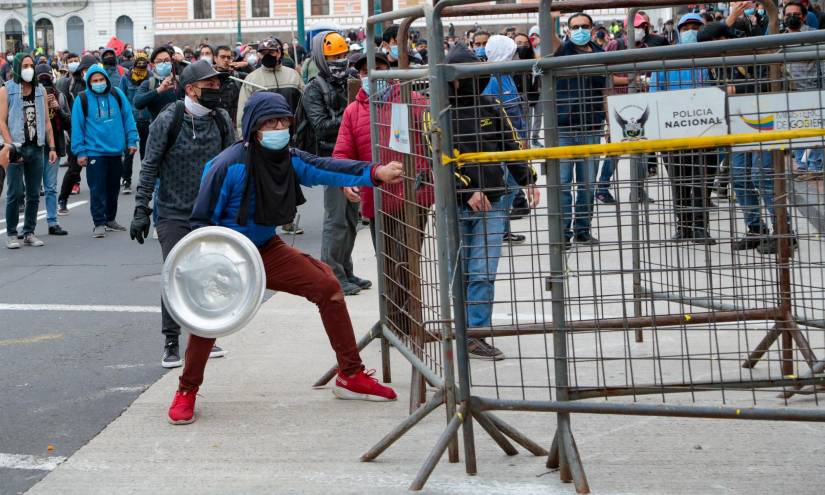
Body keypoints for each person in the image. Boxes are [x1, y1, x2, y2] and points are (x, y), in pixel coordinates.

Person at [167, 92, 404, 424]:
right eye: (269, 122)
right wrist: (207, 273)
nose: (278, 128)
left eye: (283, 121)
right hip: (225, 258)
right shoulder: (227, 165)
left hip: (266, 249)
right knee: (209, 322)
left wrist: (374, 173)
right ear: (253, 127)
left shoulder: (289, 159)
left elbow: (326, 168)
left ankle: (350, 375)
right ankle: (186, 390)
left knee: (327, 287)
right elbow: (200, 223)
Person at [130, 60, 234, 368]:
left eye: (218, 85)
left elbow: (233, 164)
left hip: (210, 213)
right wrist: (140, 208)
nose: (217, 90)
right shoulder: (169, 118)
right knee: (175, 274)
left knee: (207, 273)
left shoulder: (222, 119)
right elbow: (149, 165)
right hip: (173, 212)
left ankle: (203, 335)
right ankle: (171, 341)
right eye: (210, 85)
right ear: (190, 89)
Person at [444, 44, 538, 361]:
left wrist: (528, 180)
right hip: (454, 205)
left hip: (494, 203)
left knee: (483, 271)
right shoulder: (437, 110)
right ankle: (457, 328)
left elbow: (511, 146)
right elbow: (437, 158)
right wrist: (465, 191)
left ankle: (475, 334)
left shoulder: (490, 106)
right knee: (458, 271)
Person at [303, 32, 365, 295]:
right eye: (333, 57)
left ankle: (346, 269)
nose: (340, 61)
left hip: (353, 158)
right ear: (321, 58)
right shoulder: (313, 89)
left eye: (342, 55)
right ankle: (332, 274)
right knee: (336, 219)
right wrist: (351, 114)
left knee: (352, 218)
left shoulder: (349, 82)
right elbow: (320, 127)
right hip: (330, 159)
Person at [649, 13, 715, 245]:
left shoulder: (712, 55)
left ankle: (700, 227)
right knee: (679, 182)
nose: (691, 31)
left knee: (702, 181)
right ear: (678, 30)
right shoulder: (667, 58)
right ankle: (683, 227)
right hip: (673, 132)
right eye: (686, 27)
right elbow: (655, 94)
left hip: (707, 131)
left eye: (696, 26)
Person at [553, 12, 607, 247]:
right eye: (575, 27)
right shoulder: (563, 50)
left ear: (592, 28)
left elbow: (606, 90)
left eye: (584, 26)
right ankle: (563, 233)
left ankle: (583, 229)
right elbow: (551, 39)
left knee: (587, 184)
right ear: (567, 29)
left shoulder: (600, 55)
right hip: (563, 128)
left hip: (592, 126)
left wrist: (610, 122)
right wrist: (549, 15)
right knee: (562, 184)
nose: (580, 30)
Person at [70, 63, 138, 238]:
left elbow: (128, 118)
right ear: (89, 82)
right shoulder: (82, 99)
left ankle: (110, 219)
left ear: (106, 80)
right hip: (94, 153)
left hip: (116, 151)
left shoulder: (117, 94)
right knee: (97, 189)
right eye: (95, 80)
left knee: (113, 189)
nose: (98, 82)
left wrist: (132, 140)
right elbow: (77, 127)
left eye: (101, 79)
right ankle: (99, 223)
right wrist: (80, 152)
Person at [0, 53, 59, 249]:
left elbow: (47, 121)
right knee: (15, 194)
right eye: (25, 65)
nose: (29, 69)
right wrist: (10, 146)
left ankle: (29, 232)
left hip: (36, 147)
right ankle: (11, 234)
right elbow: (1, 121)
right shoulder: (6, 90)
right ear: (17, 67)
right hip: (16, 147)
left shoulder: (40, 90)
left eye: (31, 65)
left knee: (34, 193)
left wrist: (51, 147)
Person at [783, 0, 823, 180]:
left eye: (796, 14)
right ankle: (801, 166)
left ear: (804, 17)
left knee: (814, 130)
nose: (792, 17)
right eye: (788, 14)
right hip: (790, 93)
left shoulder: (813, 35)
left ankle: (815, 167)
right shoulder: (778, 36)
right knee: (796, 131)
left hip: (811, 90)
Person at [236, 37, 304, 136]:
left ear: (279, 53)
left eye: (271, 52)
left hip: (293, 135)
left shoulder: (293, 75)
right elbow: (243, 113)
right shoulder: (251, 79)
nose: (267, 56)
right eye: (263, 53)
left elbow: (304, 104)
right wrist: (244, 139)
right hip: (264, 137)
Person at [56, 53, 95, 214]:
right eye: (85, 69)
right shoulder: (72, 85)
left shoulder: (101, 85)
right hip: (76, 131)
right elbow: (64, 106)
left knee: (99, 171)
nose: (88, 72)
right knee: (73, 169)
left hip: (96, 133)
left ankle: (102, 211)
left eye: (91, 69)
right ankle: (62, 200)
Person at [35, 64, 70, 236]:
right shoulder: (29, 96)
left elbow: (68, 123)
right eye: (40, 78)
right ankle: (29, 225)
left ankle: (52, 222)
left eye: (46, 78)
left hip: (53, 147)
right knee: (33, 189)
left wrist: (58, 108)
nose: (44, 83)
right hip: (34, 146)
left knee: (50, 187)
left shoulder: (60, 96)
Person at [119, 51, 152, 194]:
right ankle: (126, 179)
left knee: (146, 152)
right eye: (139, 62)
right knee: (129, 152)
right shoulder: (125, 78)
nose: (141, 65)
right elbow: (121, 97)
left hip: (147, 119)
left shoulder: (151, 77)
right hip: (130, 120)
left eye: (144, 63)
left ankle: (144, 181)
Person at [134, 46, 181, 121]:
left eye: (166, 60)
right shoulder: (149, 83)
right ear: (153, 64)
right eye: (159, 61)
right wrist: (159, 90)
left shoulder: (179, 81)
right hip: (157, 129)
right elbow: (137, 103)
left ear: (171, 62)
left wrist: (182, 61)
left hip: (179, 128)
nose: (163, 63)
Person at [213, 45, 242, 128]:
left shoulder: (236, 76)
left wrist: (246, 65)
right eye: (222, 57)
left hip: (233, 124)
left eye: (228, 57)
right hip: (214, 122)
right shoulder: (208, 77)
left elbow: (252, 77)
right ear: (215, 58)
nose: (226, 60)